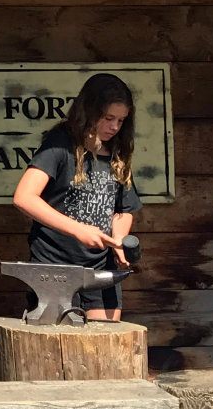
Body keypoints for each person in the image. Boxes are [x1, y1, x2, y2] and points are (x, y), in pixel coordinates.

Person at [9, 72, 140, 322]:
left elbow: (123, 208)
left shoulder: (118, 152)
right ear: (89, 112)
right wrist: (78, 230)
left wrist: (119, 239)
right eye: (108, 118)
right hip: (54, 266)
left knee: (105, 345)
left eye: (121, 120)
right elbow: (24, 197)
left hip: (101, 268)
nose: (114, 127)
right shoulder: (60, 144)